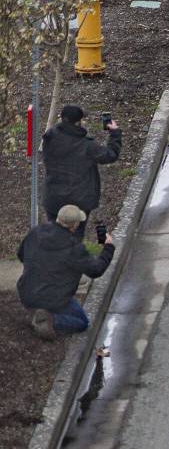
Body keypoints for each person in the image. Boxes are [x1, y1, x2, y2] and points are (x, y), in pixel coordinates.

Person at [17, 205, 115, 340]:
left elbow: (21, 255)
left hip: (27, 292)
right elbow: (96, 270)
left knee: (77, 314)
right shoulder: (74, 248)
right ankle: (48, 320)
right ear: (74, 226)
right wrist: (108, 247)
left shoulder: (36, 232)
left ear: (58, 218)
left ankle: (39, 312)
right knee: (82, 323)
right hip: (53, 298)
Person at [42, 105, 122, 236]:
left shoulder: (49, 138)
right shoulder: (86, 146)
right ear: (78, 122)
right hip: (79, 200)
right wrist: (115, 134)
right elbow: (110, 155)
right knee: (75, 238)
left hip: (54, 198)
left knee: (56, 236)